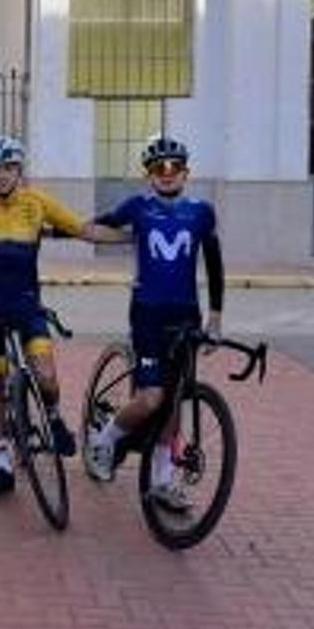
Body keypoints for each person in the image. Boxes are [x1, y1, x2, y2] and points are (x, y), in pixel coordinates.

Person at [0, 134, 117, 501]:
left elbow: (84, 230)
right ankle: (2, 466)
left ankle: (53, 417)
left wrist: (136, 235)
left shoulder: (37, 203)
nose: (1, 175)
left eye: (8, 167)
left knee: (47, 377)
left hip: (26, 305)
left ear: (18, 169)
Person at [83, 134, 223, 512]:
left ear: (186, 173)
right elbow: (97, 226)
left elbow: (214, 263)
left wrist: (215, 318)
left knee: (174, 402)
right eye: (158, 167)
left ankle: (161, 483)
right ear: (148, 175)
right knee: (151, 398)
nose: (167, 172)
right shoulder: (138, 207)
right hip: (147, 314)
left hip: (186, 315)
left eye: (175, 167)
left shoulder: (202, 212)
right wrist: (55, 229)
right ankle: (103, 441)